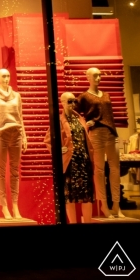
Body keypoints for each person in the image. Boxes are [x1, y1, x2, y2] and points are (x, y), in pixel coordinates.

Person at [75, 67, 122, 218]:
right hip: (96, 134)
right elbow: (73, 112)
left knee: (115, 169)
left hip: (110, 133)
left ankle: (116, 204)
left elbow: (110, 115)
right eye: (95, 75)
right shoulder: (84, 97)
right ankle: (104, 205)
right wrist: (85, 123)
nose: (98, 77)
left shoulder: (106, 95)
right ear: (87, 77)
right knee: (99, 170)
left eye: (100, 75)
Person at [43, 92, 94, 224]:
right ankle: (72, 223)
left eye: (74, 101)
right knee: (69, 197)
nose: (73, 104)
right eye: (69, 101)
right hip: (70, 163)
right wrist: (57, 150)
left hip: (83, 161)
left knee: (87, 196)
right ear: (63, 103)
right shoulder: (59, 121)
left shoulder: (80, 119)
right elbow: (48, 140)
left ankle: (87, 222)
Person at [0, 69, 27, 219]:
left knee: (15, 171)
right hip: (1, 135)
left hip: (16, 133)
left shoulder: (16, 96)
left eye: (8, 75)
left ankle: (15, 205)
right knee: (1, 171)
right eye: (3, 76)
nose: (6, 78)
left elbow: (20, 115)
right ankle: (4, 206)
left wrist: (24, 136)